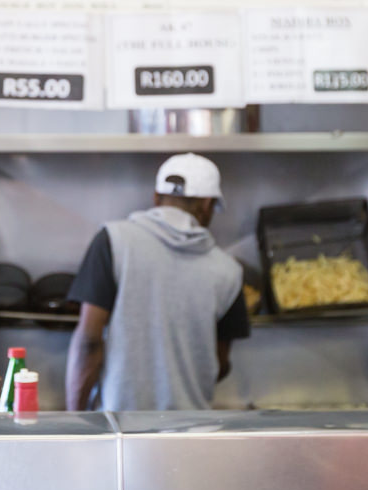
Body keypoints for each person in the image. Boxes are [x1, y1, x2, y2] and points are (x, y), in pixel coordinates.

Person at [65, 152, 249, 411]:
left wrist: (76, 419)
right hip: (191, 430)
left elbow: (88, 343)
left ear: (156, 197)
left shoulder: (113, 241)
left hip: (120, 427)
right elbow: (218, 362)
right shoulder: (229, 271)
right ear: (207, 205)